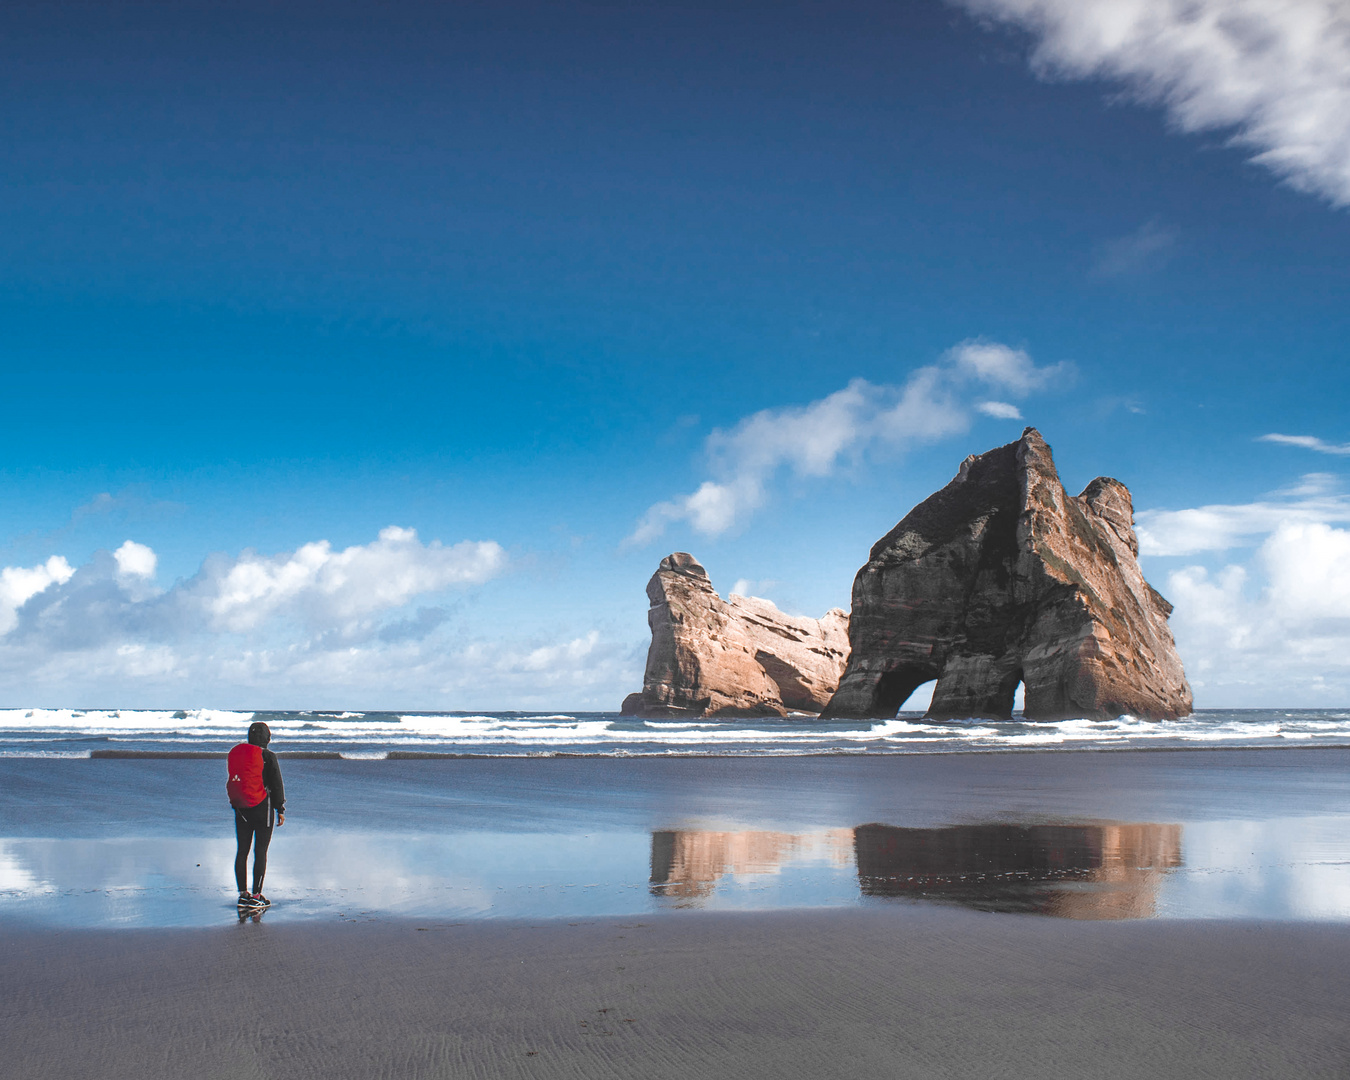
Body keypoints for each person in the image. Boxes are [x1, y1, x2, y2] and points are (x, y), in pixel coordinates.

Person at [226, 720, 285, 909]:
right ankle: (257, 896)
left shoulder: (237, 754)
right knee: (260, 851)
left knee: (242, 850)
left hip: (241, 808)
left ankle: (243, 895)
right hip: (262, 807)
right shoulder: (268, 756)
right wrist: (280, 808)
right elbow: (276, 784)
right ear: (267, 738)